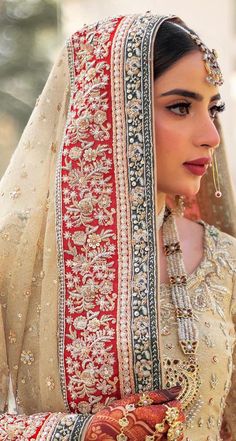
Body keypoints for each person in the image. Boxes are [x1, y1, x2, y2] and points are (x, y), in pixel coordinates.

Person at [0, 12, 235, 441]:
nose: (211, 135)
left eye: (213, 108)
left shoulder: (227, 261)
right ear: (109, 111)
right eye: (181, 107)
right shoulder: (15, 253)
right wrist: (83, 432)